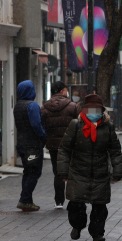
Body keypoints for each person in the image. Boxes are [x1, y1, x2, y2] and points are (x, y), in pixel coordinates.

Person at [57, 94, 122, 241]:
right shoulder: (76, 125)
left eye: (97, 109)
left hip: (100, 173)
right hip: (78, 172)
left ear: (102, 110)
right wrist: (63, 170)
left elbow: (115, 151)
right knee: (76, 205)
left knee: (100, 207)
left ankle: (97, 232)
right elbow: (64, 149)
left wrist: (118, 170)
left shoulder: (108, 127)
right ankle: (77, 226)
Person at [41, 81, 80, 209]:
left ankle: (59, 201)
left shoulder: (44, 108)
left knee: (57, 172)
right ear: (63, 91)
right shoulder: (73, 106)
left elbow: (42, 126)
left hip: (53, 145)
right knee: (72, 170)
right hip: (70, 144)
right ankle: (74, 198)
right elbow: (79, 125)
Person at [13, 80, 46, 212]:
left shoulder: (17, 106)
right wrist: (43, 136)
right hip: (32, 145)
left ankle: (27, 200)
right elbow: (36, 125)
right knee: (34, 172)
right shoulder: (32, 106)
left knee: (27, 171)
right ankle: (25, 199)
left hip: (21, 144)